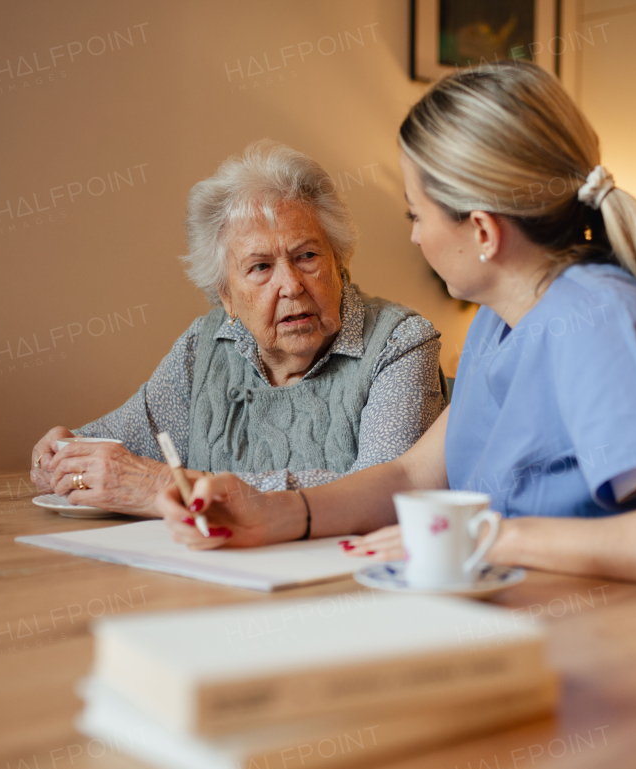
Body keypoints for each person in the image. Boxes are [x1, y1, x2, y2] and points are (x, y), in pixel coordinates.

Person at [155, 63, 636, 591]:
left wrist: (497, 536)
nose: (414, 235)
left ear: (481, 231)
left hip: (630, 668)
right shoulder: (497, 324)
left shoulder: (599, 322)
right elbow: (410, 475)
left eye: (416, 214)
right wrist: (276, 514)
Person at [29, 141, 446, 515]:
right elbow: (120, 444)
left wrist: (168, 489)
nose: (291, 284)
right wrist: (62, 455)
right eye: (260, 267)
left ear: (339, 264)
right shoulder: (207, 346)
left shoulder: (399, 343)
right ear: (225, 295)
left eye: (306, 256)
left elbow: (388, 494)